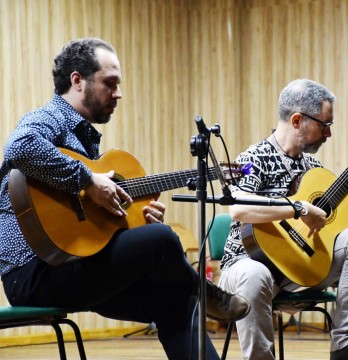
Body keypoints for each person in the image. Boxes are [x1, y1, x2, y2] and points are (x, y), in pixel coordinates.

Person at [0, 38, 250, 360]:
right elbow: (20, 147)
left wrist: (135, 222)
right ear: (77, 80)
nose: (118, 94)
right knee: (163, 239)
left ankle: (196, 291)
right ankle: (206, 291)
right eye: (110, 83)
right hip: (35, 273)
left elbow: (88, 229)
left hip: (76, 263)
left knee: (175, 298)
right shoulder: (51, 118)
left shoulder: (85, 140)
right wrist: (88, 180)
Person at [218, 79, 348, 360]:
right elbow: (238, 208)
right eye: (325, 124)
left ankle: (346, 345)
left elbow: (332, 228)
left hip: (302, 267)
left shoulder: (313, 168)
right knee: (255, 274)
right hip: (247, 264)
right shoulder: (254, 158)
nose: (329, 133)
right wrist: (297, 208)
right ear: (298, 119)